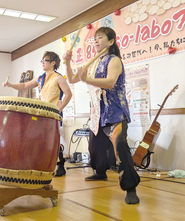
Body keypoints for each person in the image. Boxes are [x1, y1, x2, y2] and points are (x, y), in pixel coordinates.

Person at [63, 27, 140, 204]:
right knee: (95, 147)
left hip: (115, 113)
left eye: (100, 38)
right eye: (94, 39)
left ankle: (130, 188)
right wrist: (67, 63)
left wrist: (86, 79)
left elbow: (110, 82)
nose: (96, 41)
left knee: (120, 146)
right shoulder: (95, 62)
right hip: (98, 114)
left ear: (111, 41)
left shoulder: (114, 60)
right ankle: (100, 173)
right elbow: (73, 79)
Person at [3, 51, 72, 177]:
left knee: (54, 140)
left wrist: (59, 109)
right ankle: (43, 164)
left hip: (53, 114)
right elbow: (24, 85)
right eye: (42, 60)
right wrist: (10, 85)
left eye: (45, 60)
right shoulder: (40, 78)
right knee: (42, 140)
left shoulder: (58, 77)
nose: (42, 63)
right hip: (41, 114)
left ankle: (60, 165)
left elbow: (68, 94)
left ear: (53, 63)